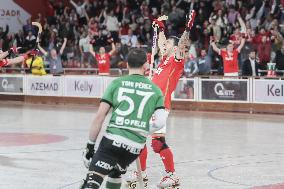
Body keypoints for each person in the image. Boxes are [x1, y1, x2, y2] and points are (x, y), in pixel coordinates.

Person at [80, 48, 167, 189]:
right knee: (115, 173)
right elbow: (160, 122)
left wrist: (90, 146)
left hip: (112, 141)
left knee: (92, 181)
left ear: (127, 65)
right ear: (146, 66)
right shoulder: (156, 90)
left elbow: (99, 117)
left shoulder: (116, 83)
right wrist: (141, 128)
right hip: (135, 146)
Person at [127, 11, 194, 189]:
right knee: (139, 138)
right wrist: (160, 27)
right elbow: (161, 42)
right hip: (150, 105)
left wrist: (186, 31)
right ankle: (141, 173)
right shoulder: (164, 60)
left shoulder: (176, 60)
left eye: (168, 44)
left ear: (174, 47)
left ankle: (172, 175)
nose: (164, 46)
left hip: (160, 107)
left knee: (157, 143)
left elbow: (180, 46)